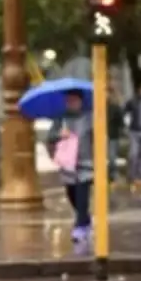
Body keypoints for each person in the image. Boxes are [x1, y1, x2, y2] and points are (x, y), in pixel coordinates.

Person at [47, 90, 94, 243]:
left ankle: (79, 227)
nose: (71, 103)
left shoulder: (90, 117)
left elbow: (98, 137)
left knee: (82, 196)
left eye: (74, 100)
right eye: (69, 101)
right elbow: (49, 137)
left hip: (85, 164)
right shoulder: (61, 118)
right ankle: (85, 219)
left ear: (81, 101)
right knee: (71, 195)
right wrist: (60, 134)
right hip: (68, 165)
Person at [107, 85, 125, 184]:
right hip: (102, 136)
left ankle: (112, 174)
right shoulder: (98, 107)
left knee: (112, 157)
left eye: (108, 93)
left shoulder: (116, 108)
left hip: (113, 136)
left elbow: (121, 122)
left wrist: (122, 131)